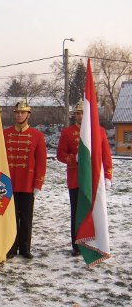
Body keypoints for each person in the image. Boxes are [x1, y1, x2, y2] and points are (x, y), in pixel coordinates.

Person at [57, 99, 112, 256]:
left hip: (94, 180)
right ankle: (77, 244)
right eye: (78, 113)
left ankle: (95, 241)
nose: (80, 116)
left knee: (94, 211)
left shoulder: (99, 132)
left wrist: (108, 175)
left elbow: (106, 156)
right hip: (76, 179)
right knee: (76, 213)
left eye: (82, 113)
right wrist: (73, 158)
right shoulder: (67, 132)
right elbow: (60, 155)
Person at [4, 101, 46, 260]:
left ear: (28, 115)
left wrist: (38, 183)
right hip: (9, 183)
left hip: (28, 184)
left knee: (26, 218)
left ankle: (25, 248)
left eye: (23, 112)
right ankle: (11, 247)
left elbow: (41, 162)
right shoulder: (5, 133)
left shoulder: (37, 136)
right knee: (11, 218)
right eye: (17, 112)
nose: (19, 115)